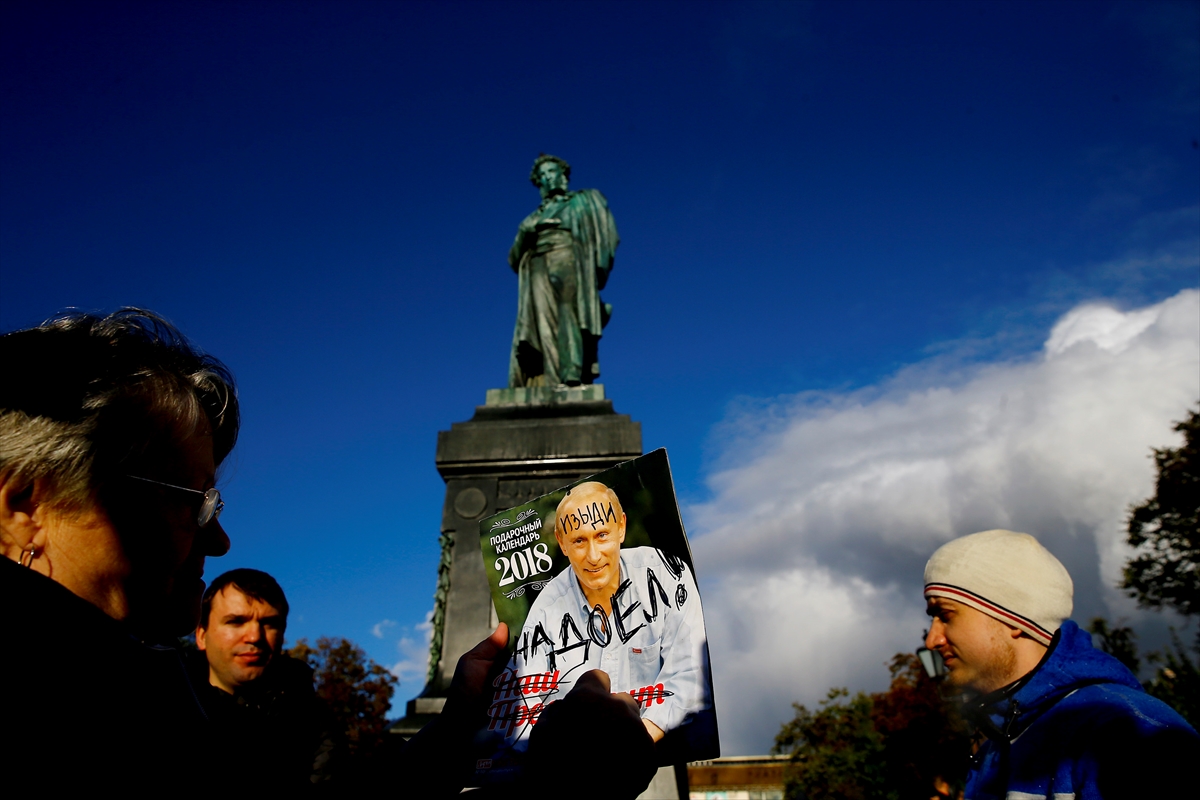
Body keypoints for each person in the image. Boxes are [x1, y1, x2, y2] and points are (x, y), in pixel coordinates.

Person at [0, 309, 239, 787]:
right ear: (26, 505)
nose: (219, 541)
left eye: (212, 505)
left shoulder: (167, 693)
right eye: (189, 500)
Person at [923, 529, 1199, 798]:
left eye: (945, 615)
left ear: (1013, 619)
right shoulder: (998, 741)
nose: (932, 641)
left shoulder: (1126, 733)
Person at [501, 481, 714, 754]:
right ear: (562, 543)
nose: (593, 556)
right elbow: (524, 709)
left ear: (621, 527)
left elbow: (690, 672)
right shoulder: (546, 610)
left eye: (602, 535)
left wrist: (635, 744)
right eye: (579, 540)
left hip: (660, 748)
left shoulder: (666, 574)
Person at [191, 569, 339, 790]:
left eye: (269, 623)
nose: (254, 636)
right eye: (236, 621)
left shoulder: (313, 726)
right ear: (202, 636)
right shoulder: (162, 714)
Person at [507, 154, 619, 388]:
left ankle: (571, 374)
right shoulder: (532, 218)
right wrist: (526, 232)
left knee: (569, 311)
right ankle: (552, 378)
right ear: (538, 183)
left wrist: (598, 270)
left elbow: (608, 234)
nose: (548, 178)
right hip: (537, 263)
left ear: (564, 176)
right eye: (543, 175)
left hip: (568, 254)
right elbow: (513, 259)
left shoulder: (585, 199)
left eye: (552, 172)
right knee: (543, 323)